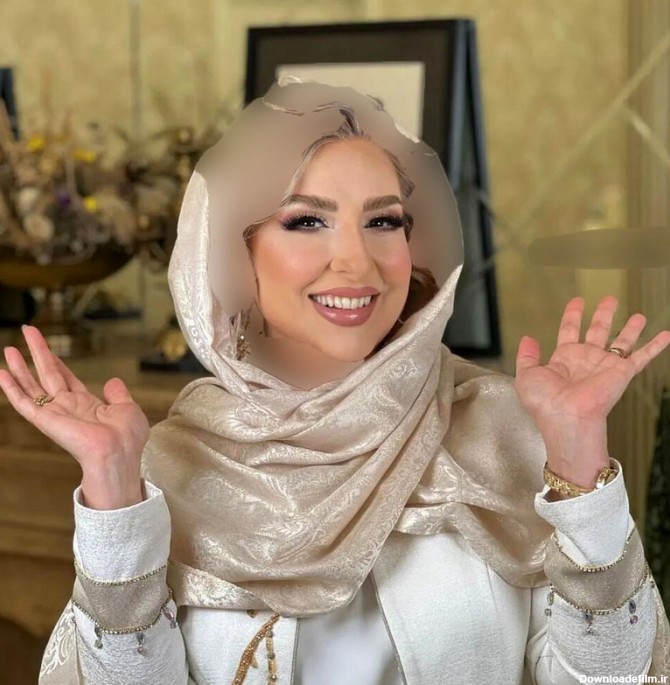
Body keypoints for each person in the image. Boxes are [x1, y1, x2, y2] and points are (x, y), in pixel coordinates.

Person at [1, 80, 669, 685]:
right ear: (234, 253)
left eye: (383, 221)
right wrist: (114, 493)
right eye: (307, 220)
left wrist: (579, 452)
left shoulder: (497, 431)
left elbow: (613, 678)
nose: (357, 262)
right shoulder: (175, 467)